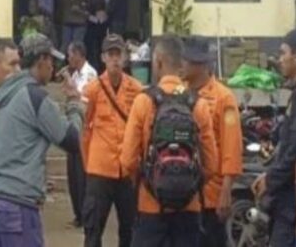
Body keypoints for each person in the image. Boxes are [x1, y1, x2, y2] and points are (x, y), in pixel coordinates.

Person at [0, 33, 85, 247]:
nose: (53, 67)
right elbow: (72, 141)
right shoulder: (35, 97)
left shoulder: (1, 95)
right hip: (19, 204)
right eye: (51, 61)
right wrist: (74, 103)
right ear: (41, 60)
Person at [120, 35, 219, 247]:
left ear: (158, 62)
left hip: (150, 208)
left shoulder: (143, 102)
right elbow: (212, 165)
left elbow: (127, 160)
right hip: (189, 210)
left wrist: (149, 182)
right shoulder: (198, 104)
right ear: (181, 62)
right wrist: (187, 185)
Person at [253, 27, 296, 247]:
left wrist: (270, 180)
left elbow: (294, 151)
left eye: (283, 53)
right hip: (285, 201)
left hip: (293, 203)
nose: (279, 59)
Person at [81, 34, 143, 247]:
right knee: (93, 229)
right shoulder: (92, 89)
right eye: (111, 54)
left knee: (130, 229)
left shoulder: (136, 90)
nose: (115, 59)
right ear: (103, 58)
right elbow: (84, 129)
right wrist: (88, 164)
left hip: (127, 170)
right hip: (99, 170)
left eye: (119, 54)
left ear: (125, 57)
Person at [182, 36, 243, 246]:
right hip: (183, 194)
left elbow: (231, 147)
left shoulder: (224, 99)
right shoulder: (179, 93)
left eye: (186, 61)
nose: (181, 65)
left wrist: (226, 191)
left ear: (200, 65)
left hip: (211, 197)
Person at [58, 41, 98, 229]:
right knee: (72, 174)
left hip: (85, 129)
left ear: (78, 55)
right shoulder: (75, 74)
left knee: (82, 175)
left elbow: (85, 99)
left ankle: (84, 214)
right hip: (73, 126)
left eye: (70, 54)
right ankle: (77, 213)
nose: (68, 58)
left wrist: (73, 91)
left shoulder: (90, 74)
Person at [85, 0, 109, 72]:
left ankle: (101, 69)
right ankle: (91, 68)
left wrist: (105, 12)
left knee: (101, 45)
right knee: (89, 44)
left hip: (101, 19)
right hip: (89, 18)